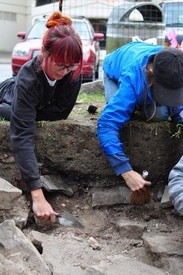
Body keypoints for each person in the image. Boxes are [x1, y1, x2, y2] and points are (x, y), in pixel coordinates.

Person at [0, 10, 83, 223]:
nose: (65, 71)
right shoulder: (28, 79)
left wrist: (28, 115)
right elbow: (21, 136)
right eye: (60, 65)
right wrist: (37, 194)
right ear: (44, 53)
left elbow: (62, 112)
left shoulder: (72, 72)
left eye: (71, 66)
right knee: (13, 114)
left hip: (34, 105)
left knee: (25, 116)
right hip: (9, 92)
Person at [97, 41, 183, 209]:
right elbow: (106, 125)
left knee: (161, 113)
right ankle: (134, 103)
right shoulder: (132, 79)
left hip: (150, 72)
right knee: (149, 113)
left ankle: (142, 103)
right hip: (116, 70)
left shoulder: (175, 66)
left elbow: (179, 108)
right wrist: (126, 171)